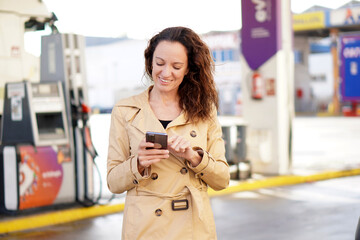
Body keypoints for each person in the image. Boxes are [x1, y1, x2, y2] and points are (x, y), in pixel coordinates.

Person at [107, 26, 230, 240]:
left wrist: (194, 157)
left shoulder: (204, 110)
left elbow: (222, 180)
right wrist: (138, 163)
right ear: (150, 62)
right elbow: (113, 183)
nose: (165, 73)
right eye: (160, 63)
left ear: (188, 69)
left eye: (176, 66)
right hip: (145, 226)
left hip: (192, 226)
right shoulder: (125, 111)